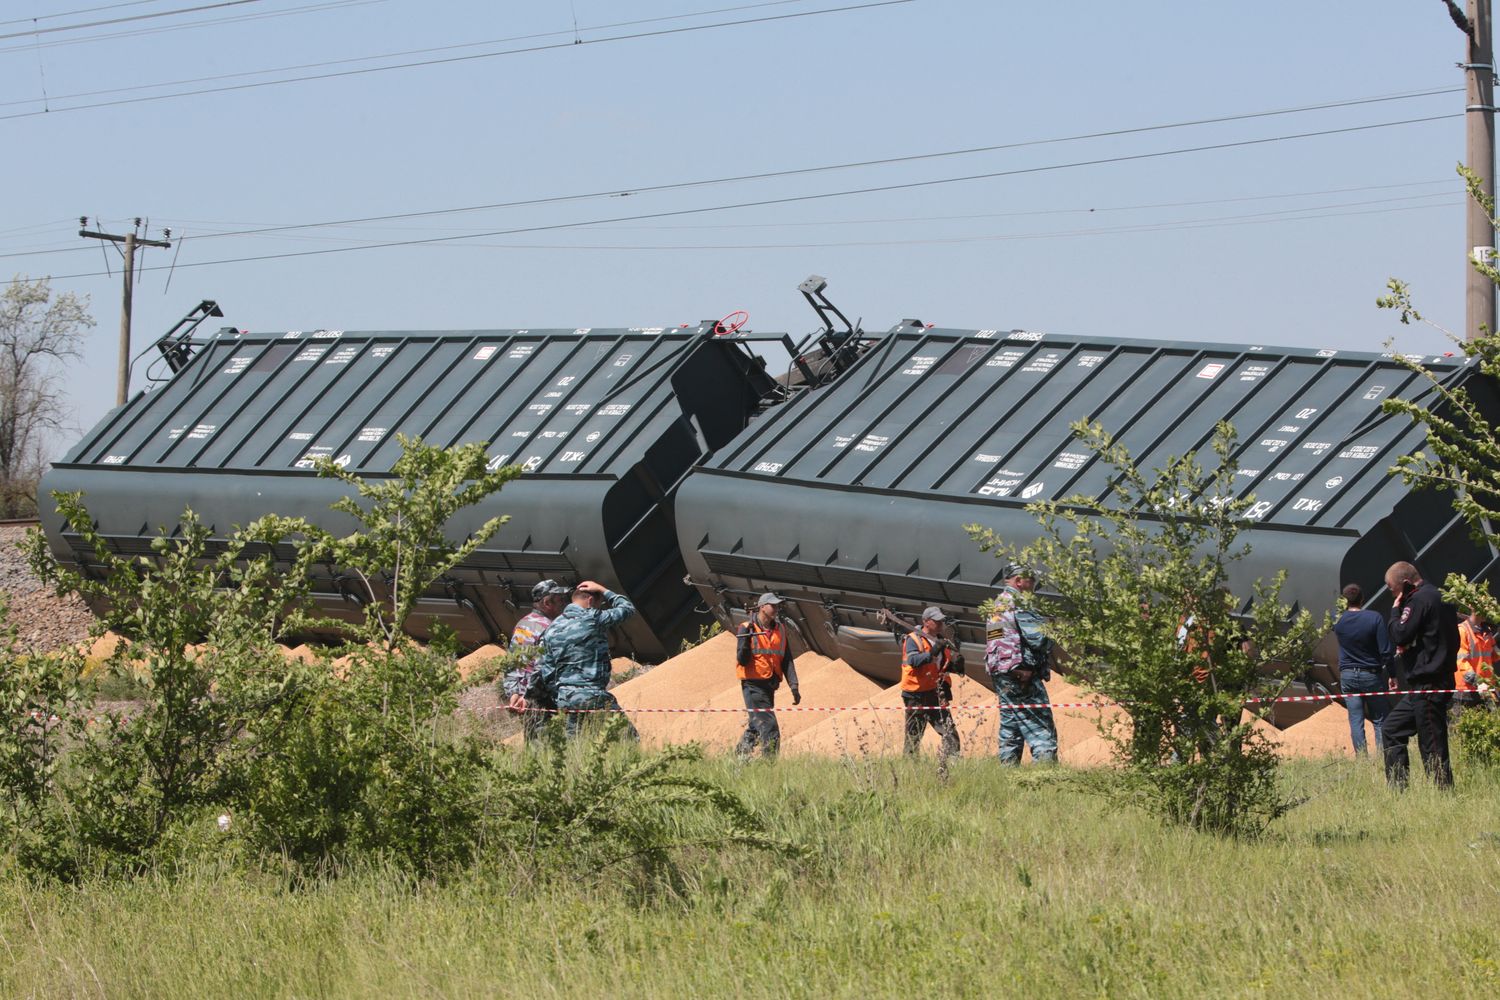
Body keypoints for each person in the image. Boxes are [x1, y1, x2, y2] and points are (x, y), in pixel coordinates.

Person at [525, 580, 639, 741]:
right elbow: (627, 609)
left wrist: (560, 694)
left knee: (576, 746)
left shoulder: (551, 628)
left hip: (565, 699)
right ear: (591, 601)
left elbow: (546, 670)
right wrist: (603, 589)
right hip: (593, 695)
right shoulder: (592, 617)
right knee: (628, 740)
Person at [1381, 562, 1459, 789]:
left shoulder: (1418, 600)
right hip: (1430, 681)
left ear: (1405, 584)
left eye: (1392, 589)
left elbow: (1399, 634)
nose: (1392, 594)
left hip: (1428, 683)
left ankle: (1444, 794)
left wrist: (1396, 610)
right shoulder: (1439, 596)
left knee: (1432, 743)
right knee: (1392, 729)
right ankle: (1398, 789)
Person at [985, 563, 1057, 765]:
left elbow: (997, 640)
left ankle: (1008, 773)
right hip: (1023, 675)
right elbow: (1038, 639)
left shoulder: (997, 604)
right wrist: (1052, 633)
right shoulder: (1020, 603)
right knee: (1041, 727)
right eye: (1031, 579)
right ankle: (1045, 776)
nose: (1034, 583)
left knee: (1011, 725)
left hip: (1003, 674)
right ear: (1018, 581)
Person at [501, 579, 571, 743]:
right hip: (541, 700)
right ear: (547, 602)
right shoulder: (549, 628)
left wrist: (514, 693)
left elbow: (511, 662)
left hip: (523, 700)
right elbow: (542, 668)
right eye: (560, 599)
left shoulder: (523, 624)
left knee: (532, 743)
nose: (563, 603)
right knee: (547, 747)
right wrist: (529, 696)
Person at [734, 593, 800, 759]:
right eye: (773, 605)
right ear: (762, 606)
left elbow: (787, 659)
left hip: (769, 685)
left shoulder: (780, 630)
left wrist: (794, 685)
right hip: (752, 685)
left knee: (756, 725)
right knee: (769, 726)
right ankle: (769, 765)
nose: (776, 609)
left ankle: (739, 759)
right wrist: (746, 642)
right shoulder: (746, 627)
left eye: (777, 606)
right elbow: (742, 660)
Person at [1331, 583, 1393, 755]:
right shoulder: (1374, 618)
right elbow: (1386, 651)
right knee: (1380, 718)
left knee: (1356, 719)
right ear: (1362, 598)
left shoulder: (1338, 620)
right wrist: (1393, 674)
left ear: (1344, 601)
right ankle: (1384, 757)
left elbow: (1331, 619)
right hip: (1371, 674)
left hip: (1348, 675)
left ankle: (1362, 759)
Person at [900, 607, 962, 758]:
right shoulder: (913, 639)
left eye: (942, 621)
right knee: (913, 737)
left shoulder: (941, 641)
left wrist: (956, 666)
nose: (941, 624)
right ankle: (909, 768)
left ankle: (952, 765)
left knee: (950, 733)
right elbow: (913, 660)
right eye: (937, 621)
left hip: (936, 693)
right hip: (916, 695)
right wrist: (933, 652)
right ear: (926, 622)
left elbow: (940, 666)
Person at [1455, 609, 1496, 709]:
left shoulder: (1487, 632)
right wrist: (1478, 682)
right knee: (1462, 724)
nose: (1486, 609)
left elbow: (1494, 656)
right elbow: (1461, 662)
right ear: (1471, 607)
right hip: (1466, 690)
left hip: (1486, 689)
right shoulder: (1462, 630)